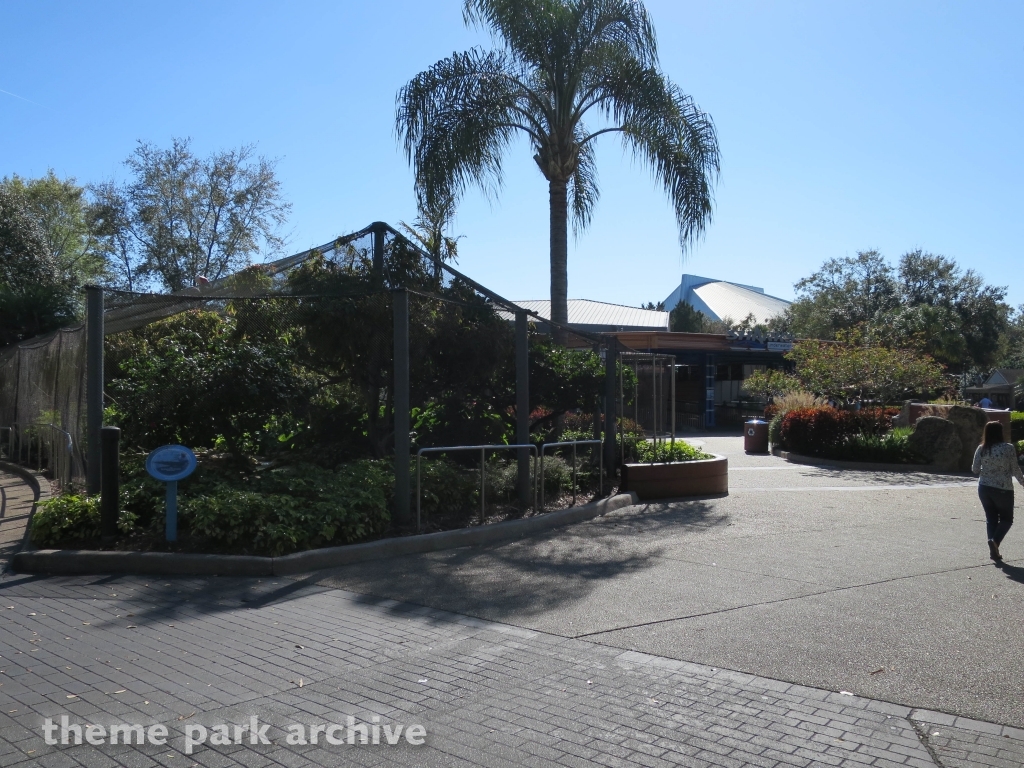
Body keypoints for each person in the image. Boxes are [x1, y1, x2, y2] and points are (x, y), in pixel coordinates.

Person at [972, 421, 1024, 561]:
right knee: (1007, 519)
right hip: (1003, 488)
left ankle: (993, 549)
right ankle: (994, 541)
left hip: (984, 487)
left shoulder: (981, 448)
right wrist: (1022, 481)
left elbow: (975, 469)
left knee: (991, 518)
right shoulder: (1008, 448)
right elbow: (1015, 468)